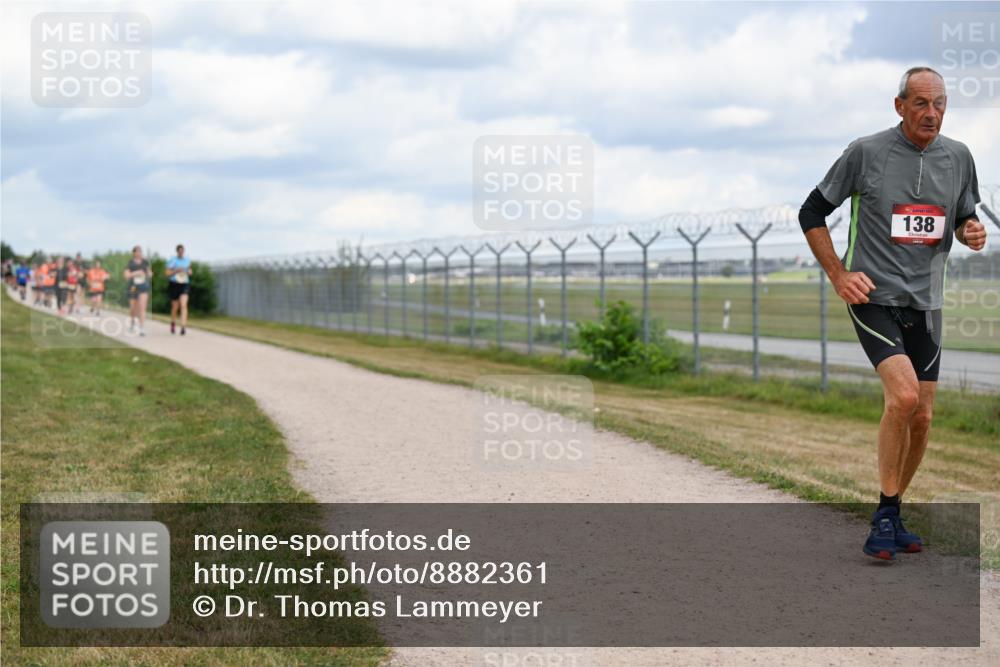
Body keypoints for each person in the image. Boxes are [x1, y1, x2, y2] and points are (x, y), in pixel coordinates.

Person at [799, 67, 986, 561]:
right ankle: (885, 514)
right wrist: (840, 275)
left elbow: (965, 212)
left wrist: (970, 230)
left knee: (923, 415)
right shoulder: (866, 152)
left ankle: (893, 510)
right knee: (902, 397)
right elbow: (811, 212)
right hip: (873, 298)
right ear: (899, 105)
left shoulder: (960, 157)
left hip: (928, 304)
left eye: (940, 104)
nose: (932, 113)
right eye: (921, 103)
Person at [124, 245, 151, 336]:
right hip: (133, 287)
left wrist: (149, 274)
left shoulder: (145, 262)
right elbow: (126, 276)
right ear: (134, 253)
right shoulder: (130, 263)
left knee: (142, 307)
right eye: (137, 251)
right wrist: (136, 273)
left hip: (143, 287)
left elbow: (149, 273)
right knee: (133, 308)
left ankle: (141, 328)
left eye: (140, 251)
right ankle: (132, 323)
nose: (139, 253)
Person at [166, 244, 192, 335]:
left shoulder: (187, 260)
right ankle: (173, 322)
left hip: (184, 283)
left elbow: (190, 272)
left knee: (184, 305)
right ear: (177, 251)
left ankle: (183, 326)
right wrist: (176, 270)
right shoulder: (172, 260)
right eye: (179, 251)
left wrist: (188, 271)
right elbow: (167, 273)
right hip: (174, 284)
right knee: (175, 307)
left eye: (182, 251)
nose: (181, 253)